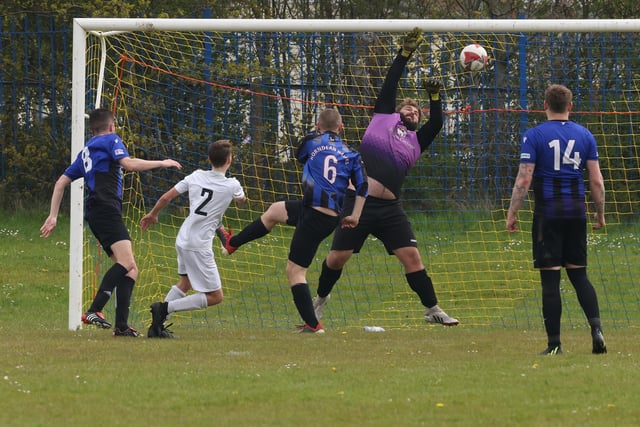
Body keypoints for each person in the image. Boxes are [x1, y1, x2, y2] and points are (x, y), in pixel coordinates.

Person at [311, 28, 459, 326]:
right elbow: (391, 83)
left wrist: (435, 96)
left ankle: (432, 310)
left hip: (390, 209)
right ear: (397, 111)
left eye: (417, 111)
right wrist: (404, 54)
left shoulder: (418, 141)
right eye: (408, 107)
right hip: (358, 203)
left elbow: (438, 121)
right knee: (338, 258)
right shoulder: (383, 118)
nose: (412, 111)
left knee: (412, 258)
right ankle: (319, 302)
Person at [40, 108, 182, 337]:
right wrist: (163, 162)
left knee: (131, 269)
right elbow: (129, 164)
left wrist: (53, 215)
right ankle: (94, 310)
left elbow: (60, 182)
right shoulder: (111, 140)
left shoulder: (86, 151)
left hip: (98, 213)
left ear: (92, 128)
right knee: (126, 263)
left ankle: (122, 327)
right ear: (111, 126)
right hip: (106, 210)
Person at [506, 84, 607, 355]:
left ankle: (554, 345)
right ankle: (596, 329)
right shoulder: (585, 135)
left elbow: (524, 178)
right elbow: (596, 181)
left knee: (550, 281)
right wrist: (599, 212)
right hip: (576, 213)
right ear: (570, 106)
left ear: (544, 105)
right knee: (579, 275)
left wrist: (512, 212)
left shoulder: (534, 135)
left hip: (547, 215)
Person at [140, 139, 246, 338]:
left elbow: (166, 197)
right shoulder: (232, 185)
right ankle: (163, 308)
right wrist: (239, 198)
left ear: (208, 159)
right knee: (215, 296)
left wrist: (153, 214)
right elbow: (241, 201)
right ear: (229, 160)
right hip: (198, 245)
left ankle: (156, 328)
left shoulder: (196, 176)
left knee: (186, 283)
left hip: (183, 238)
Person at [286, 107, 368, 333]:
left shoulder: (311, 142)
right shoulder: (351, 153)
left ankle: (313, 325)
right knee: (276, 213)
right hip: (332, 216)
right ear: (341, 128)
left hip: (314, 212)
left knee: (295, 270)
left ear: (317, 126)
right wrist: (355, 216)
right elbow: (363, 186)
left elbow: (300, 154)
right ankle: (234, 242)